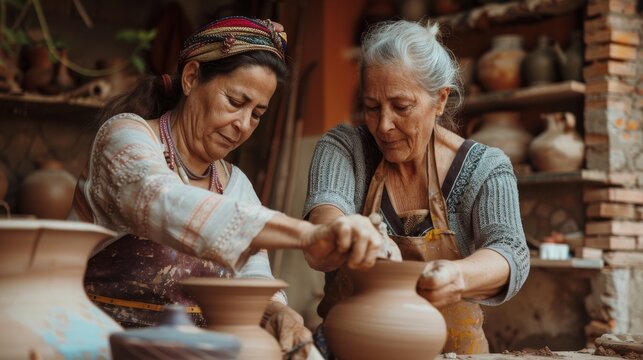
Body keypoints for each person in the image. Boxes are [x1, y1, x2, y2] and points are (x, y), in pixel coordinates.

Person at [69, 16, 384, 358]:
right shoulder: (125, 138)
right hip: (97, 346)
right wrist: (307, 235)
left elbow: (253, 280)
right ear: (191, 78)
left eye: (257, 114)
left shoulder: (234, 184)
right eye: (235, 102)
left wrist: (281, 315)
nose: (243, 125)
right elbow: (161, 200)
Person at [303, 20, 530, 356]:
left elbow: (511, 251)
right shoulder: (344, 148)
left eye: (401, 107)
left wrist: (456, 275)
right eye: (372, 107)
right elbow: (323, 220)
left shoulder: (486, 167)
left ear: (440, 100)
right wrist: (351, 232)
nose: (384, 125)